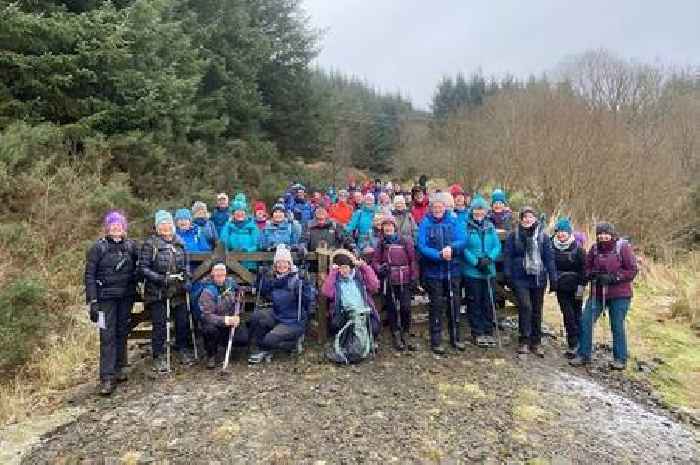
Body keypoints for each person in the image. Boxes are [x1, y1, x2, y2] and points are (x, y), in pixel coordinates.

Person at [84, 210, 139, 395]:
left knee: (122, 331)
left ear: (124, 228)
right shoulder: (97, 248)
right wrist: (92, 301)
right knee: (107, 335)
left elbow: (142, 265)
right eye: (113, 225)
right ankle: (107, 377)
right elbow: (89, 275)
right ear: (107, 228)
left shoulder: (131, 246)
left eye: (119, 225)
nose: (116, 228)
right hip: (104, 298)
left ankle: (121, 367)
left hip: (125, 296)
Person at [570, 223, 638, 370]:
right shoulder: (594, 249)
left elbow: (632, 270)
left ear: (612, 234)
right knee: (585, 320)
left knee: (617, 325)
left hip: (620, 295)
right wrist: (591, 274)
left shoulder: (623, 248)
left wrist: (614, 278)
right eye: (600, 233)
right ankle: (583, 354)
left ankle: (620, 359)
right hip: (598, 293)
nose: (603, 236)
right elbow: (586, 268)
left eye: (606, 233)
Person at [140, 210, 194, 372]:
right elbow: (143, 268)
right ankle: (159, 355)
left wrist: (187, 278)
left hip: (178, 289)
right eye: (162, 224)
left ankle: (182, 349)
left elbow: (186, 265)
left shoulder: (180, 242)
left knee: (182, 321)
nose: (166, 227)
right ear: (157, 227)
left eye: (168, 223)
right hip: (158, 291)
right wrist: (160, 279)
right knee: (160, 324)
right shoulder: (151, 244)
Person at [417, 192, 467, 354]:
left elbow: (463, 239)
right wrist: (438, 255)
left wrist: (451, 248)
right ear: (431, 208)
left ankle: (456, 337)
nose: (437, 209)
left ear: (445, 207)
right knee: (436, 306)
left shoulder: (454, 220)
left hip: (453, 270)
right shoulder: (425, 222)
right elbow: (422, 245)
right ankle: (436, 340)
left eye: (440, 206)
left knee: (454, 304)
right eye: (434, 207)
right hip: (434, 272)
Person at [248, 245, 316, 363]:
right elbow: (263, 291)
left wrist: (304, 284)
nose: (281, 265)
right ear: (275, 265)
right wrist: (260, 277)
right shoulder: (275, 279)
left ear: (290, 264)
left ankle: (285, 344)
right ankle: (262, 348)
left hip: (293, 320)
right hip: (278, 314)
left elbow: (308, 299)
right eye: (278, 262)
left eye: (285, 262)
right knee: (256, 317)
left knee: (270, 339)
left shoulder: (296, 279)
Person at [503, 207, 557, 357]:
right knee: (525, 306)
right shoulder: (514, 236)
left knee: (536, 310)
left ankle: (536, 342)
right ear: (521, 220)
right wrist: (507, 273)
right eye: (524, 217)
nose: (527, 220)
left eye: (530, 217)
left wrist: (553, 278)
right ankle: (524, 340)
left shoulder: (543, 237)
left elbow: (549, 258)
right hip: (520, 276)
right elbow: (508, 255)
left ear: (535, 219)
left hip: (538, 277)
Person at [322, 249, 380, 364]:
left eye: (345, 267)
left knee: (374, 327)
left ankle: (357, 348)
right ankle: (355, 349)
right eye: (340, 268)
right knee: (343, 326)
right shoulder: (336, 281)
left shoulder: (359, 278)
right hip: (345, 313)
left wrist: (364, 266)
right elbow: (327, 292)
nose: (343, 271)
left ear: (351, 267)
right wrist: (333, 273)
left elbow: (374, 285)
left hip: (364, 312)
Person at [371, 217, 419, 351]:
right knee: (391, 308)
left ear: (394, 226)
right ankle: (396, 333)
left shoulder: (405, 240)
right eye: (385, 226)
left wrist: (414, 276)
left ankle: (405, 331)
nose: (388, 228)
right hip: (389, 279)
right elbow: (375, 261)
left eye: (390, 225)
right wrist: (380, 269)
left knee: (405, 307)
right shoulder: (381, 243)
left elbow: (413, 259)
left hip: (404, 278)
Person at [461, 196, 502, 348]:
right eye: (476, 209)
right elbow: (463, 248)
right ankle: (477, 331)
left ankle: (488, 330)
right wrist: (476, 261)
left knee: (488, 302)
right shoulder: (467, 227)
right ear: (472, 211)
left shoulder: (490, 226)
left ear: (485, 211)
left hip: (488, 270)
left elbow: (497, 246)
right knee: (475, 301)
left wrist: (489, 258)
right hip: (472, 271)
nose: (479, 212)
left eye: (481, 209)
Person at [198, 263, 249, 369]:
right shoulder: (207, 291)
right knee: (209, 330)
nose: (220, 276)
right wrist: (226, 320)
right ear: (212, 274)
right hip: (214, 323)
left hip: (229, 321)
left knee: (243, 338)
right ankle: (211, 354)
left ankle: (227, 347)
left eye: (223, 273)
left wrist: (238, 313)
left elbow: (239, 297)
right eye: (217, 273)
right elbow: (207, 316)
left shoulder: (230, 284)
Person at [551, 218, 586, 358]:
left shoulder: (578, 249)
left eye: (564, 231)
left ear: (569, 233)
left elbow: (584, 270)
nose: (561, 234)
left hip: (576, 287)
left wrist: (581, 287)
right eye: (559, 231)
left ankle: (581, 344)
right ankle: (573, 344)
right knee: (568, 315)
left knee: (577, 315)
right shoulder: (551, 247)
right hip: (561, 288)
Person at [219, 199, 260, 271]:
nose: (240, 213)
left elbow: (257, 244)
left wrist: (247, 251)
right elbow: (223, 242)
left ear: (246, 213)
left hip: (249, 264)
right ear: (233, 213)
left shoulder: (252, 227)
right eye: (237, 211)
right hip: (231, 264)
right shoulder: (228, 226)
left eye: (242, 211)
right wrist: (231, 249)